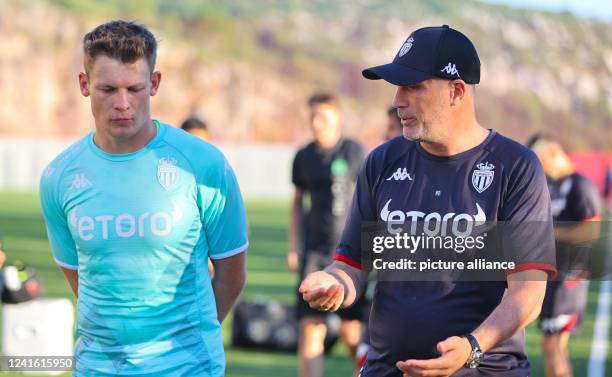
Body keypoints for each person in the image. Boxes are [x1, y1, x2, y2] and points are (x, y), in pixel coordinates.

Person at [300, 25, 556, 377]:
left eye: (413, 87)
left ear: (457, 91)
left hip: (483, 370)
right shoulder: (381, 162)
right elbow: (352, 265)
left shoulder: (515, 167)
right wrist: (334, 282)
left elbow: (528, 293)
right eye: (396, 87)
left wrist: (472, 346)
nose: (397, 100)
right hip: (386, 369)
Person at [39, 20, 248, 376]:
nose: (123, 103)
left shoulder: (204, 164)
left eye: (134, 88)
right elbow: (80, 275)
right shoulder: (59, 176)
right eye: (108, 89)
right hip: (97, 368)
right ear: (84, 85)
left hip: (188, 367)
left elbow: (232, 274)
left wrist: (189, 338)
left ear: (154, 84)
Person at [288, 92, 366, 377]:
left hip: (351, 257)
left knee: (352, 334)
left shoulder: (355, 152)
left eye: (322, 116)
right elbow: (297, 203)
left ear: (338, 117)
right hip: (315, 253)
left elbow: (370, 200)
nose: (316, 122)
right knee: (311, 328)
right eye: (312, 116)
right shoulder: (303, 157)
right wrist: (293, 246)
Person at [528, 134, 601, 377]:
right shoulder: (549, 185)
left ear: (553, 156)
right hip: (551, 272)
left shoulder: (581, 185)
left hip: (570, 275)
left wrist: (552, 233)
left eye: (541, 160)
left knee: (554, 345)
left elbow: (591, 230)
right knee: (548, 345)